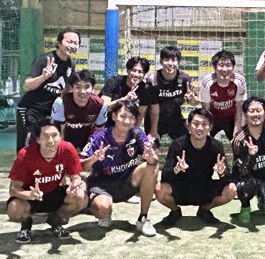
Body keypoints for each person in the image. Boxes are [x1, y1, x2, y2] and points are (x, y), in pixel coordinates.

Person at [81, 101, 159, 237]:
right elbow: (81, 165)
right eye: (123, 116)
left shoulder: (137, 134)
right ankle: (92, 205)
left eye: (131, 117)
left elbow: (154, 160)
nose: (127, 121)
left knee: (152, 166)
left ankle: (143, 218)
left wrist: (151, 157)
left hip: (127, 184)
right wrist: (94, 158)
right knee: (103, 210)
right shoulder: (99, 137)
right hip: (102, 185)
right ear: (114, 116)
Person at [7, 117, 87, 243]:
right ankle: (26, 224)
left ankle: (55, 220)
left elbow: (76, 177)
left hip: (54, 192)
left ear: (60, 136)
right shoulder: (25, 155)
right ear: (38, 139)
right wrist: (29, 194)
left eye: (54, 135)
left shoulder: (67, 149)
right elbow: (13, 189)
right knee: (14, 210)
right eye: (45, 136)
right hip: (31, 196)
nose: (51, 141)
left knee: (81, 197)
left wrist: (74, 186)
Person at [157, 107, 238, 227]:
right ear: (188, 126)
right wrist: (176, 169)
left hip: (204, 188)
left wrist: (222, 172)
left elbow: (227, 178)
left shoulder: (216, 146)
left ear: (210, 127)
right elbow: (165, 176)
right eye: (196, 124)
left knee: (231, 190)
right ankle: (175, 211)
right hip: (181, 189)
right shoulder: (178, 145)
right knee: (159, 189)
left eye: (204, 124)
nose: (200, 128)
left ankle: (205, 210)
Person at [15, 28, 81, 152]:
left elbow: (67, 86)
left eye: (76, 43)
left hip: (50, 112)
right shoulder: (45, 60)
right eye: (69, 42)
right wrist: (43, 77)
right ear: (59, 43)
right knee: (26, 149)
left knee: (46, 148)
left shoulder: (71, 64)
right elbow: (26, 86)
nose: (72, 46)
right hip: (30, 109)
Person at [146, 45, 198, 143]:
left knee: (187, 145)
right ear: (161, 61)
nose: (170, 63)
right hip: (154, 119)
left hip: (175, 119)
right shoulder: (153, 78)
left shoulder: (184, 78)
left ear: (179, 62)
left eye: (174, 60)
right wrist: (153, 131)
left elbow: (194, 103)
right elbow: (154, 108)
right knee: (151, 147)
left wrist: (192, 99)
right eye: (167, 60)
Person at [51, 69, 108, 151]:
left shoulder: (100, 105)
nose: (83, 91)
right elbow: (59, 133)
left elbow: (99, 133)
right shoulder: (60, 103)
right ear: (72, 88)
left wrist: (91, 151)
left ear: (93, 88)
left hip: (87, 144)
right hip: (65, 143)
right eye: (78, 87)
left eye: (87, 87)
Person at [199, 49, 247, 140]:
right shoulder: (207, 82)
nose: (225, 69)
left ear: (233, 67)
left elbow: (239, 108)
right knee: (205, 143)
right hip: (212, 119)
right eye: (221, 65)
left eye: (228, 65)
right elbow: (205, 109)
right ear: (214, 67)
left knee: (238, 142)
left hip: (231, 119)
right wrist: (206, 131)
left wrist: (236, 132)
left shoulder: (239, 81)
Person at [100, 56, 153, 124]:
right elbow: (103, 108)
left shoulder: (145, 89)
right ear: (128, 70)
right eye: (134, 70)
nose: (136, 74)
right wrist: (124, 99)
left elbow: (139, 118)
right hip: (106, 123)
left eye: (140, 72)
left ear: (144, 74)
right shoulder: (114, 82)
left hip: (127, 125)